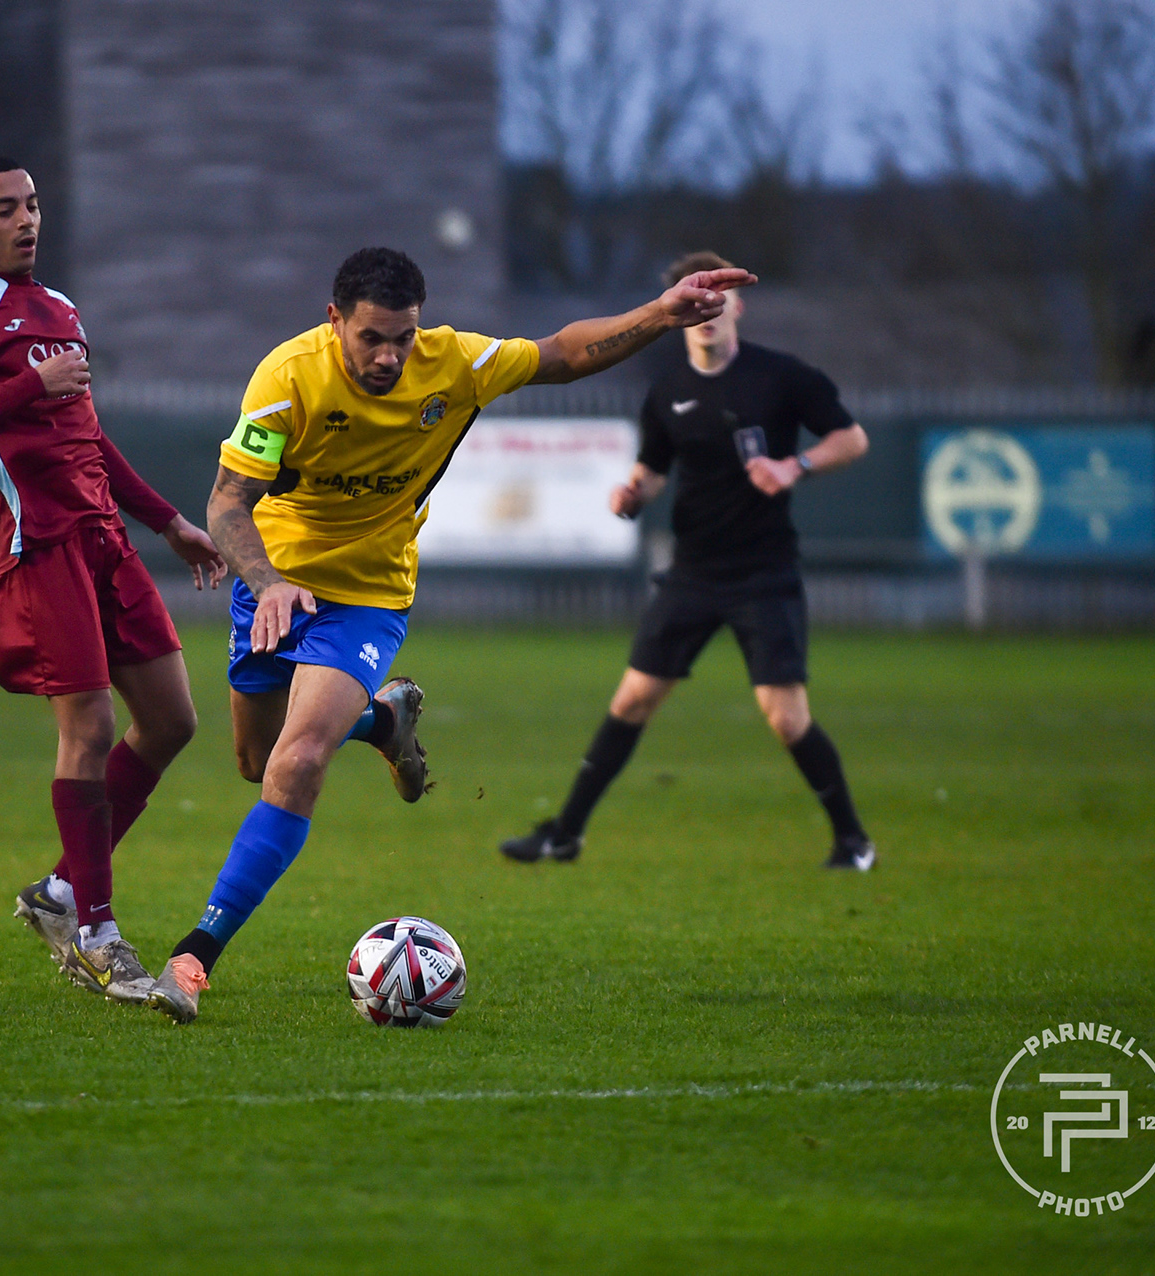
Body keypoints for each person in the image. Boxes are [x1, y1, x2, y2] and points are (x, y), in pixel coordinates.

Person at [147, 246, 756, 1022]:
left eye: (403, 337)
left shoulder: (454, 364)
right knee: (256, 761)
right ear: (335, 320)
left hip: (367, 595)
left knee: (296, 765)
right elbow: (228, 502)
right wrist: (267, 584)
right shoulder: (287, 378)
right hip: (275, 585)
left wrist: (661, 314)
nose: (389, 356)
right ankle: (381, 723)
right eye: (371, 337)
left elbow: (563, 353)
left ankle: (193, 958)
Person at [0, 156, 227, 1004]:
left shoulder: (60, 309)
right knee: (89, 725)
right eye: (4, 209)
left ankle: (58, 891)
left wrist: (168, 522)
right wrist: (27, 384)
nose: (26, 220)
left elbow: (89, 436)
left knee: (172, 719)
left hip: (104, 538)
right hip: (38, 543)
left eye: (33, 205)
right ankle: (96, 934)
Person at [499, 250, 875, 872]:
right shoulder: (667, 391)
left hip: (763, 572)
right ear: (678, 313)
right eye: (694, 302)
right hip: (693, 574)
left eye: (716, 300)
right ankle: (564, 834)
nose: (707, 313)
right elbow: (651, 471)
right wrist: (631, 494)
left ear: (738, 306)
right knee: (631, 702)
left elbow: (852, 439)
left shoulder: (782, 377)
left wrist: (796, 465)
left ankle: (853, 842)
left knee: (786, 719)